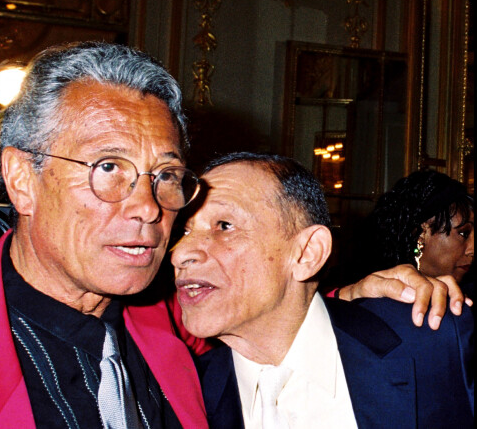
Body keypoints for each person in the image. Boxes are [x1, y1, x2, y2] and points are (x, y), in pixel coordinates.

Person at [0, 42, 468, 428]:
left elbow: (274, 318)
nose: (149, 207)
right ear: (23, 178)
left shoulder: (163, 327)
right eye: (108, 168)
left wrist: (352, 296)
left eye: (166, 177)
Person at [172, 153, 474, 429]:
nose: (180, 253)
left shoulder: (435, 340)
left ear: (307, 253)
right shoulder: (180, 395)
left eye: (224, 225)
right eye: (185, 230)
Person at [358, 169, 474, 285]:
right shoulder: (375, 296)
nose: (472, 249)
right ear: (420, 234)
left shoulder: (467, 296)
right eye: (464, 234)